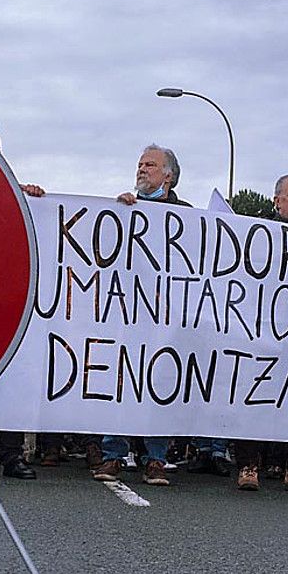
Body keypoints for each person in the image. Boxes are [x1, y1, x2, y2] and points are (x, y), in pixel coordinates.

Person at [94, 145, 190, 487]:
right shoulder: (124, 209)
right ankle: (113, 455)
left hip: (164, 319)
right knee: (121, 381)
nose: (142, 170)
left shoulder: (188, 217)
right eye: (139, 164)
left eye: (150, 165)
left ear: (168, 176)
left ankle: (156, 459)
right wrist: (117, 213)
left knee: (159, 384)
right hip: (127, 313)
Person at [233, 175, 288, 495]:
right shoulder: (258, 234)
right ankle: (248, 466)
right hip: (262, 331)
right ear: (277, 201)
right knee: (254, 396)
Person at [0, 123, 40, 478]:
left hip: (1, 301)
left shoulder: (16, 196)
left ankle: (11, 453)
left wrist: (34, 201)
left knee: (10, 373)